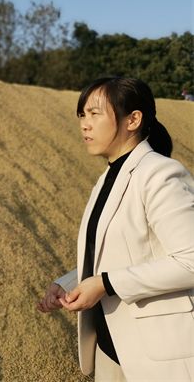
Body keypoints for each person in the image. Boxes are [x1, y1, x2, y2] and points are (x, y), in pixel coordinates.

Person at [37, 77, 194, 380]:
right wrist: (70, 283)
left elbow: (190, 260)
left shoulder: (159, 174)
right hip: (111, 345)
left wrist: (105, 284)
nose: (84, 124)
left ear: (133, 120)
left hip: (160, 353)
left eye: (95, 114)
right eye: (82, 115)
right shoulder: (108, 178)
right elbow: (122, 251)